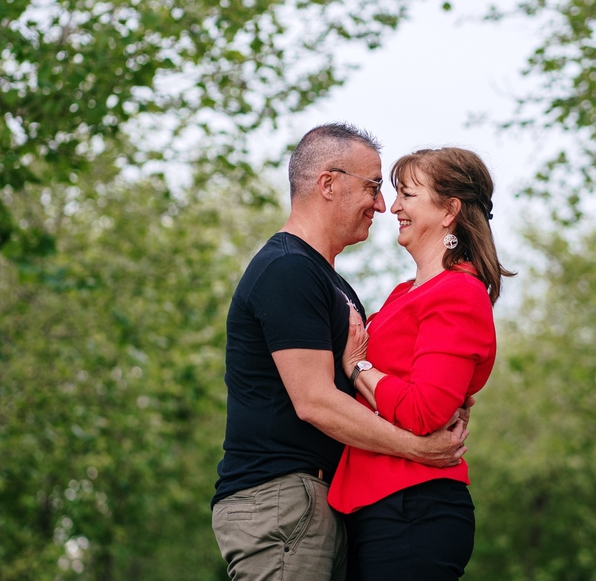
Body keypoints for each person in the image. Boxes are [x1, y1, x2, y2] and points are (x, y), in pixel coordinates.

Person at [211, 124, 470, 581]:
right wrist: (418, 448)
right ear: (328, 183)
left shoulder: (328, 281)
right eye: (373, 187)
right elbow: (314, 402)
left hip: (319, 501)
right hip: (280, 500)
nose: (381, 204)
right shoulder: (287, 270)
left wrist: (445, 394)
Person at [329, 147, 513, 581]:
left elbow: (423, 411)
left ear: (449, 210)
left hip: (413, 508)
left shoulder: (459, 293)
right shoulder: (400, 294)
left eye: (407, 195)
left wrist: (359, 368)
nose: (393, 207)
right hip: (375, 505)